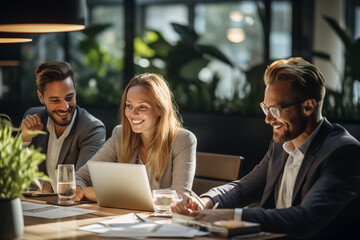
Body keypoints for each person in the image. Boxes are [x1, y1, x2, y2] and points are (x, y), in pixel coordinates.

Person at [172, 57, 360, 239]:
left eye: (276, 110)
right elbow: (243, 189)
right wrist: (205, 202)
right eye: (266, 108)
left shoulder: (343, 152)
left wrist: (228, 216)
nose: (268, 119)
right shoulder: (281, 144)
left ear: (308, 107)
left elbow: (305, 218)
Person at [75, 73, 197, 202]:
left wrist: (106, 194)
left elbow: (179, 198)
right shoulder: (120, 135)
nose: (133, 114)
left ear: (161, 109)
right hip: (122, 218)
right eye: (129, 106)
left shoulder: (183, 140)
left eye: (142, 107)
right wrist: (78, 189)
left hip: (162, 221)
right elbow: (82, 176)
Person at [21, 62, 106, 193]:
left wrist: (45, 189)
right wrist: (25, 139)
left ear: (75, 90)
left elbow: (82, 182)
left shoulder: (92, 129)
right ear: (41, 97)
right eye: (55, 100)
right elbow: (9, 173)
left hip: (73, 209)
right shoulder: (32, 118)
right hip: (37, 206)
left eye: (69, 97)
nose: (65, 107)